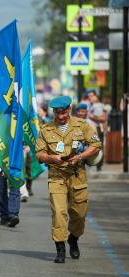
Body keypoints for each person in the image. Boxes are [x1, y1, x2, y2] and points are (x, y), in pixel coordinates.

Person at [35, 95, 101, 264]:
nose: (61, 116)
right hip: (57, 176)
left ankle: (74, 238)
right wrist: (52, 159)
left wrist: (80, 157)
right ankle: (60, 248)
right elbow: (39, 154)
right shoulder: (46, 129)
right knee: (59, 212)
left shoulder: (82, 125)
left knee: (79, 214)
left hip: (77, 175)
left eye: (64, 112)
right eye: (57, 113)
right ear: (53, 112)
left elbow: (96, 145)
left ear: (69, 110)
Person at [87, 91, 107, 171]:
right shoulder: (89, 106)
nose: (90, 98)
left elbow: (103, 118)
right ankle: (95, 163)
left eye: (92, 96)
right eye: (89, 96)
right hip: (90, 130)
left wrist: (93, 117)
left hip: (98, 129)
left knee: (99, 147)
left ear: (96, 96)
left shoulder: (100, 105)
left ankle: (99, 164)